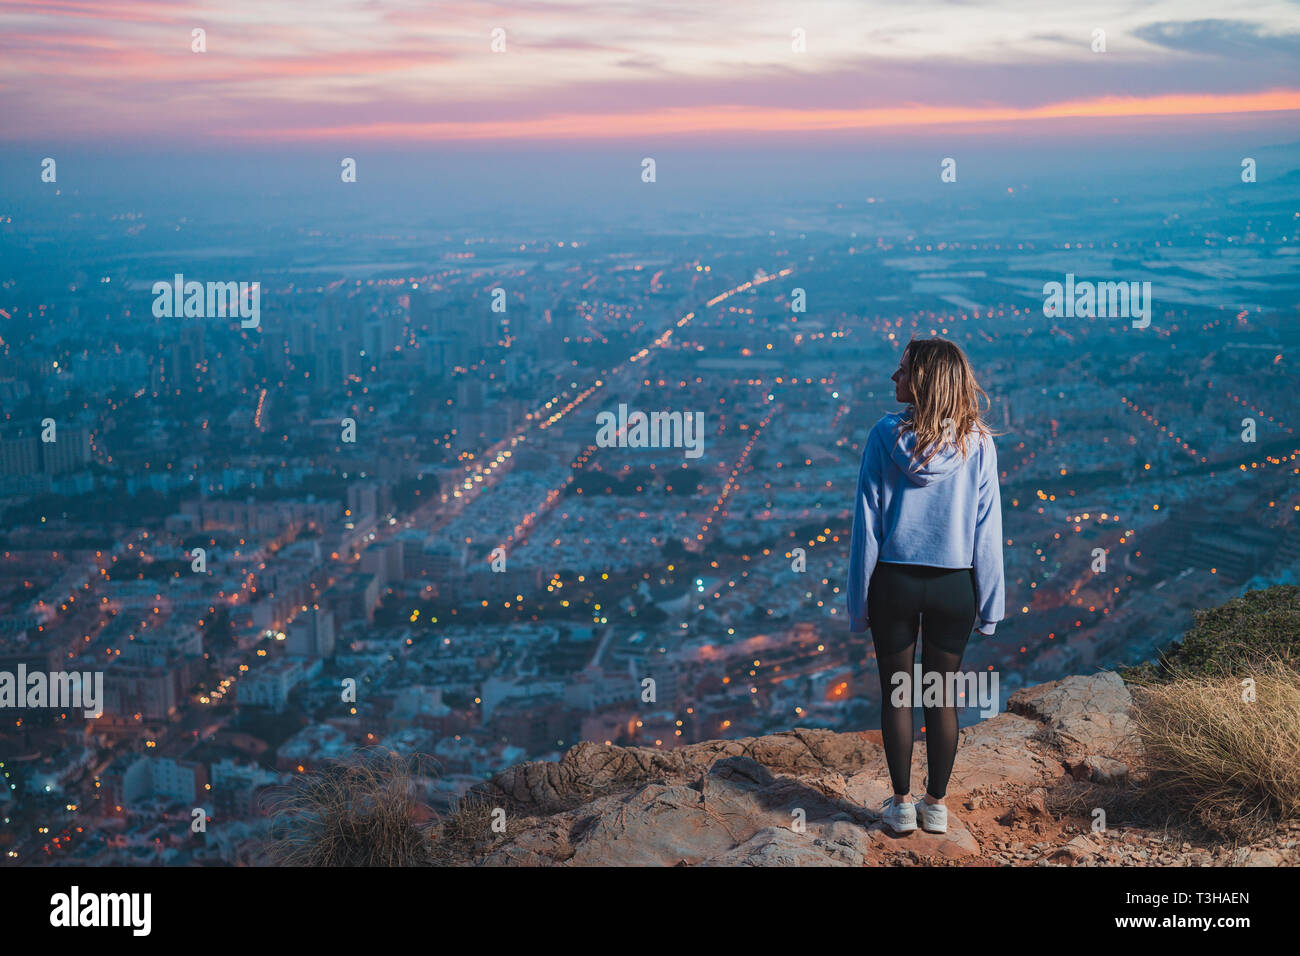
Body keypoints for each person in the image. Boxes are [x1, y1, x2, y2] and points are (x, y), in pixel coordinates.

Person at [846, 337, 1004, 835]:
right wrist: (992, 606)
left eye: (901, 371)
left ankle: (900, 805)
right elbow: (988, 530)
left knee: (897, 694)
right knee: (942, 697)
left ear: (923, 382)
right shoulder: (978, 441)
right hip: (954, 585)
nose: (893, 379)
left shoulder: (882, 436)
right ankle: (936, 805)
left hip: (893, 580)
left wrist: (856, 604)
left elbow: (865, 527)